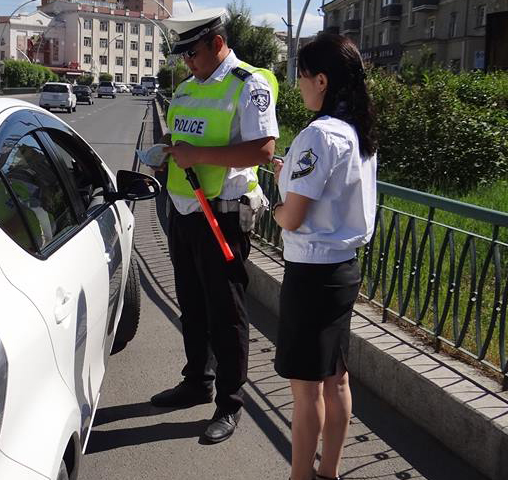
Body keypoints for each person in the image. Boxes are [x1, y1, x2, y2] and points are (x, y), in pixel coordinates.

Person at [150, 8, 279, 444]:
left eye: (193, 53)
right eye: (183, 55)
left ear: (217, 43)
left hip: (222, 213)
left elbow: (263, 149)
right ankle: (196, 381)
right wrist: (168, 148)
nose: (187, 62)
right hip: (186, 211)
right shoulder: (186, 89)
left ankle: (229, 402)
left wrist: (197, 156)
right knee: (193, 304)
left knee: (226, 313)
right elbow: (188, 136)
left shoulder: (249, 84)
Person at [270, 33, 378, 480]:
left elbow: (292, 218)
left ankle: (300, 476)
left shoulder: (319, 134)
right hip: (342, 270)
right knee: (336, 379)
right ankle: (328, 473)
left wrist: (270, 207)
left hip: (312, 274)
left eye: (301, 76)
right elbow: (330, 193)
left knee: (306, 388)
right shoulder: (355, 132)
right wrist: (288, 174)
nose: (298, 85)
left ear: (322, 79)